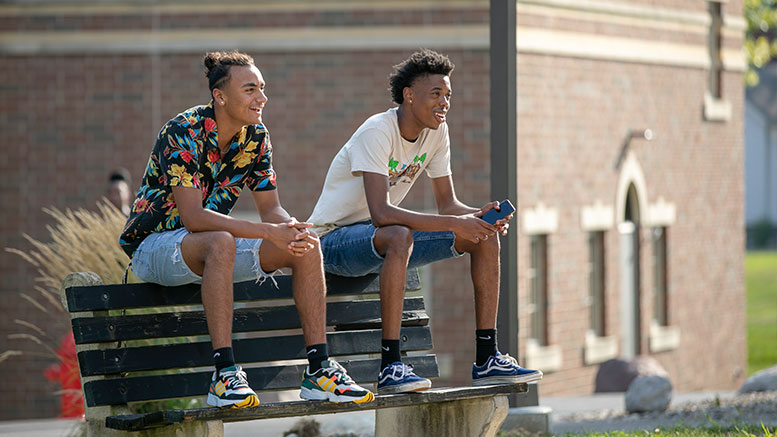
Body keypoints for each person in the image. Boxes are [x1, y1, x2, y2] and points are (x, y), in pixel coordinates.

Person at [119, 51, 373, 408]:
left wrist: (290, 228)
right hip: (154, 248)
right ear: (220, 96)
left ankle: (319, 370)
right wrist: (268, 234)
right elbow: (193, 218)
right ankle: (224, 375)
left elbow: (270, 208)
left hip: (210, 250)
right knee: (220, 241)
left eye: (263, 89)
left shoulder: (256, 137)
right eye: (251, 89)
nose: (262, 98)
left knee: (306, 244)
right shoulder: (182, 131)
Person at [307, 49, 543, 394]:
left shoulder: (437, 133)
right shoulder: (377, 131)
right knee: (399, 234)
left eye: (448, 95)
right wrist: (455, 224)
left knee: (483, 236)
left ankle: (487, 358)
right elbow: (381, 213)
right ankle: (391, 365)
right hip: (331, 243)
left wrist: (475, 217)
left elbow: (448, 205)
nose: (444, 102)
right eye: (436, 94)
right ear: (409, 95)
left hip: (381, 241)